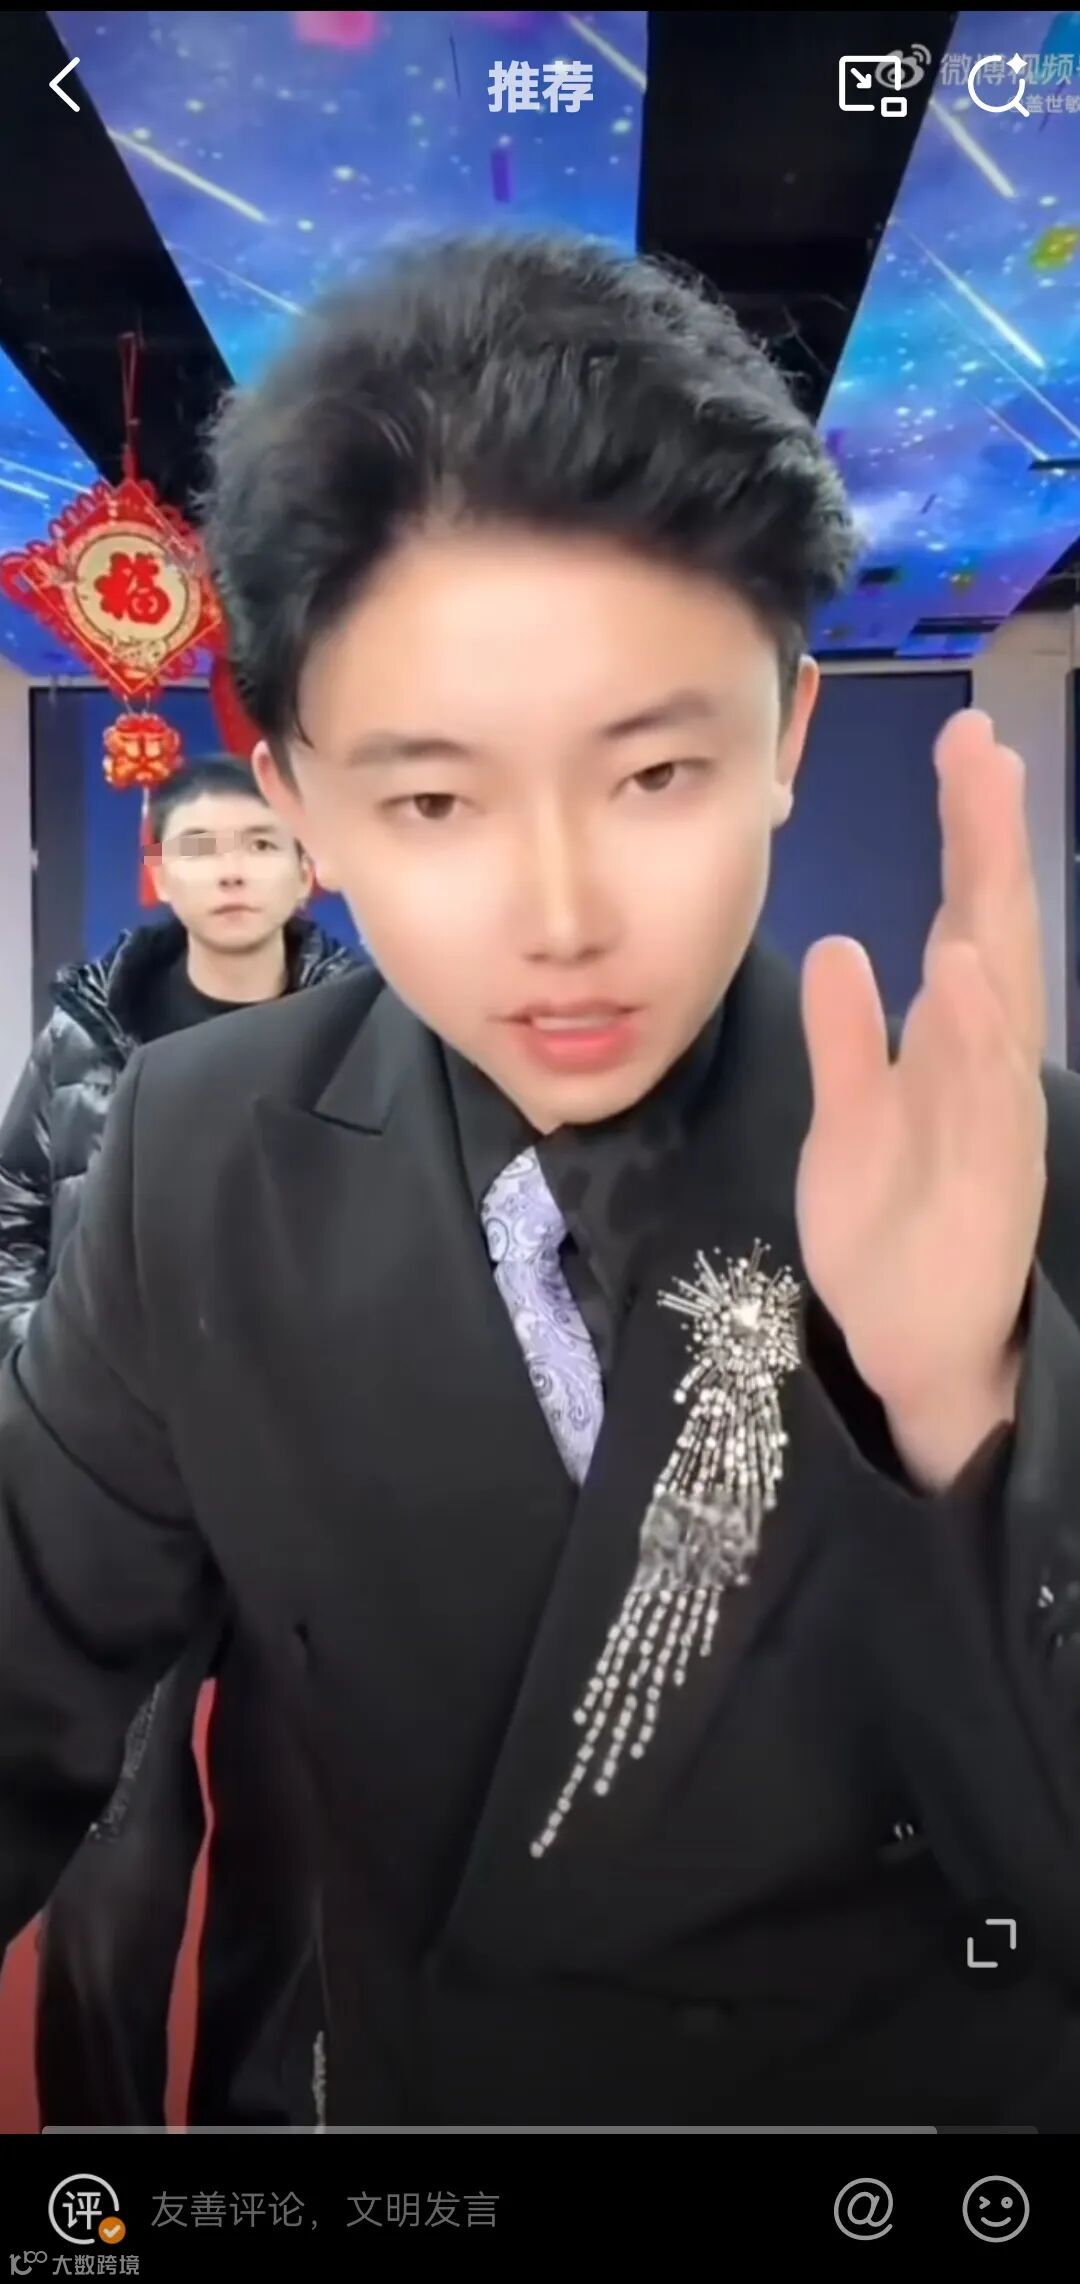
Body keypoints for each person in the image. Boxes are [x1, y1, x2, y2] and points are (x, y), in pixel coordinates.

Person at [2, 233, 1080, 2130]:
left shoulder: (1019, 1164)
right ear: (303, 803)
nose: (563, 918)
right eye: (434, 801)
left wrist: (963, 1418)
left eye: (655, 776)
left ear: (787, 736)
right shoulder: (201, 1160)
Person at [0, 755, 355, 2125]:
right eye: (201, 847)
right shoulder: (84, 1035)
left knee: (300, 1849)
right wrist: (40, 1366)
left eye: (259, 845)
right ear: (161, 872)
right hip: (126, 1481)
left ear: (307, 868)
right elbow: (13, 1208)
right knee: (115, 1857)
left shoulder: (376, 1032)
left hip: (308, 1487)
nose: (230, 871)